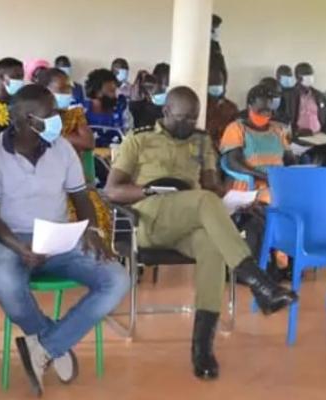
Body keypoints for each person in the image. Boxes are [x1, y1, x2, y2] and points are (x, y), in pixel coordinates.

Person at [104, 86, 296, 380]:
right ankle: (259, 281)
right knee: (204, 202)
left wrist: (238, 200)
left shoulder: (201, 140)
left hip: (190, 220)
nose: (187, 125)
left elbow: (211, 187)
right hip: (150, 219)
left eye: (192, 119)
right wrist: (147, 190)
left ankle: (202, 348)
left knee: (211, 244)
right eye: (181, 118)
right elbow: (112, 190)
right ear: (166, 111)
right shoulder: (139, 140)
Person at [0, 85, 129, 396]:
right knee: (6, 286)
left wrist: (93, 232)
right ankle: (50, 340)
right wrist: (19, 247)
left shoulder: (62, 149)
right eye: (50, 114)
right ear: (24, 119)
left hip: (58, 237)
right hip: (10, 239)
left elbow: (81, 197)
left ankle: (44, 347)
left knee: (117, 279)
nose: (58, 119)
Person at [38, 68, 112, 245]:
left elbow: (88, 143)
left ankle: (97, 256)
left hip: (76, 185)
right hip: (43, 187)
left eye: (68, 88)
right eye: (61, 89)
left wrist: (54, 133)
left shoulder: (74, 115)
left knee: (98, 213)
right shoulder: (33, 119)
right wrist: (70, 137)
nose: (67, 93)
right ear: (45, 91)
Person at [221, 84, 294, 203]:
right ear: (249, 107)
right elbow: (234, 162)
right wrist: (263, 176)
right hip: (250, 184)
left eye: (268, 111)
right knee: (277, 199)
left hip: (278, 182)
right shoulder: (236, 129)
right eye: (260, 111)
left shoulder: (277, 130)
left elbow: (289, 159)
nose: (264, 115)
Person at [278, 62, 326, 166]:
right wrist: (295, 132)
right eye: (306, 74)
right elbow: (282, 119)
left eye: (311, 74)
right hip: (298, 137)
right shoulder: (288, 96)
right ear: (298, 77)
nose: (309, 77)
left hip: (319, 136)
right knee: (299, 156)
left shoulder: (318, 95)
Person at [83, 68, 128, 149]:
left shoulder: (120, 110)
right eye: (111, 91)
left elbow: (127, 136)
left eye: (115, 91)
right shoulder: (81, 113)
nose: (115, 96)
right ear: (97, 92)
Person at [204, 57, 239, 147]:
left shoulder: (231, 109)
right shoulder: (200, 107)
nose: (215, 87)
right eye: (211, 83)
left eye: (218, 83)